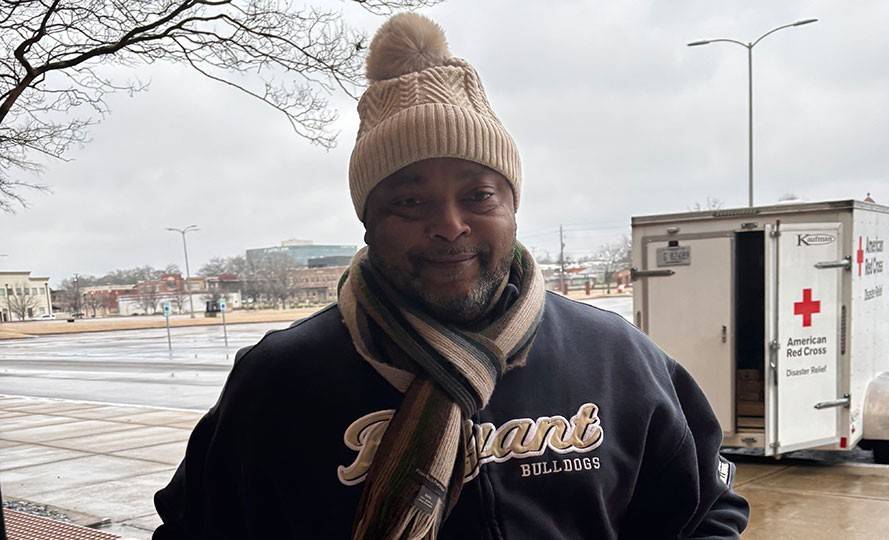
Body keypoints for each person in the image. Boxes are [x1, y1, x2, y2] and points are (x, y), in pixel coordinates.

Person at [154, 13, 749, 539]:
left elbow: (704, 514)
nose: (449, 225)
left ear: (512, 209)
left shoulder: (616, 360)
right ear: (369, 222)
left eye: (478, 195)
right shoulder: (280, 382)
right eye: (410, 203)